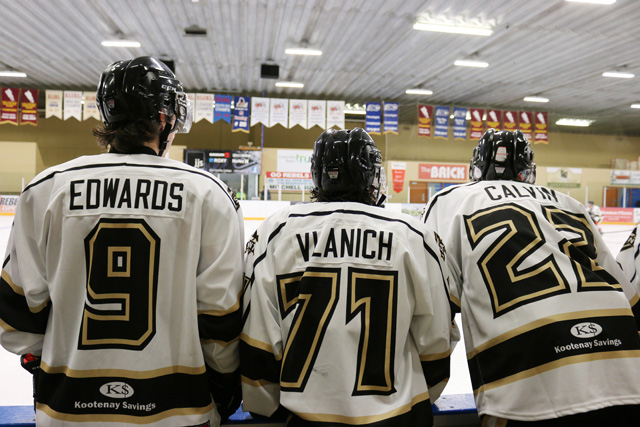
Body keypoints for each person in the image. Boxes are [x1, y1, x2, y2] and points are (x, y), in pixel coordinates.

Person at [0, 57, 245, 426]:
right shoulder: (208, 193)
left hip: (68, 407)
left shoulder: (46, 189)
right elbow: (219, 318)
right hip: (178, 409)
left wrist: (52, 357)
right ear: (166, 119)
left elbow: (16, 317)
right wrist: (222, 383)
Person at [421, 128, 640, 426]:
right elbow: (628, 295)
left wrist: (426, 384)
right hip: (622, 363)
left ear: (475, 167)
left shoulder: (448, 200)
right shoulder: (570, 202)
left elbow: (435, 301)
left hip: (525, 373)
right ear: (529, 170)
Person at [241, 128, 456, 426]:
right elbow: (437, 341)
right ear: (370, 175)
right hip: (397, 415)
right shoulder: (415, 234)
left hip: (305, 417)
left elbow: (258, 339)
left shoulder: (275, 231)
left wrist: (270, 408)